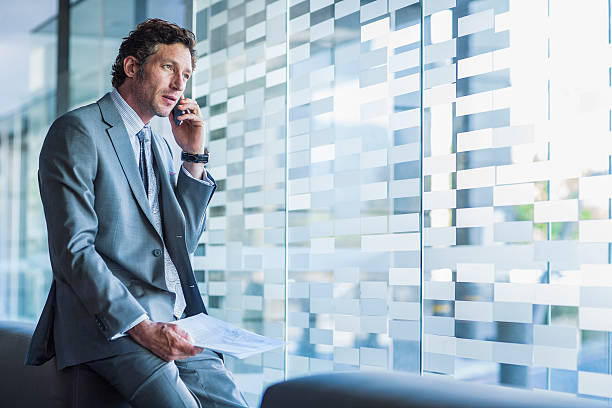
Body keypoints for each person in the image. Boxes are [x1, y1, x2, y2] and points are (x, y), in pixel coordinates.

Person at [25, 18, 248, 408]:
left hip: (174, 316)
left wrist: (193, 157)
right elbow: (74, 251)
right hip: (111, 325)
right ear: (132, 67)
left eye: (186, 74)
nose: (180, 84)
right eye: (168, 68)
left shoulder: (161, 148)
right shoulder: (78, 131)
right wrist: (141, 326)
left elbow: (181, 246)